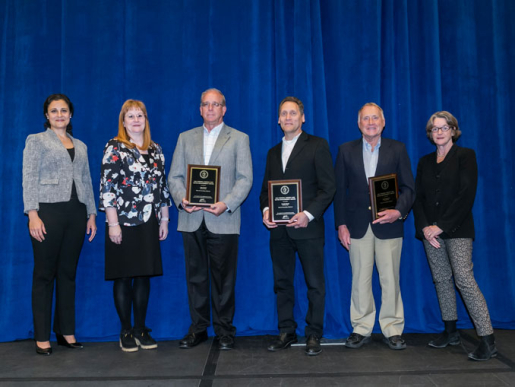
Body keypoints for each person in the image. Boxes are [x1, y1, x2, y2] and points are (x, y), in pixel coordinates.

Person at [168, 88, 253, 351]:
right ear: (200, 109)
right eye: (206, 104)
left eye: (216, 104)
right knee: (195, 278)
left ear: (224, 109)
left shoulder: (239, 138)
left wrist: (226, 203)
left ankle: (225, 330)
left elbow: (245, 178)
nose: (211, 108)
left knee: (224, 279)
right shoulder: (185, 138)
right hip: (191, 219)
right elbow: (174, 177)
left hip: (223, 219)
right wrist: (183, 200)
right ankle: (199, 328)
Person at [413, 111, 496, 361]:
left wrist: (442, 225)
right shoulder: (424, 162)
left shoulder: (465, 156)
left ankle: (487, 339)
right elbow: (418, 199)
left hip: (458, 229)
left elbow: (466, 194)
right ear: (430, 134)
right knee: (441, 280)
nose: (439, 132)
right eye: (434, 129)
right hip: (431, 233)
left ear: (453, 130)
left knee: (464, 279)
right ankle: (450, 331)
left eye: (444, 127)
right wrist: (426, 227)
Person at [334, 102, 415, 350]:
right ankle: (361, 327)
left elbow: (409, 188)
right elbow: (339, 192)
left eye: (375, 118)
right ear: (359, 124)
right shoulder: (346, 150)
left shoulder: (397, 149)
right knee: (359, 279)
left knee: (390, 279)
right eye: (366, 119)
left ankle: (392, 329)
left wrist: (398, 211)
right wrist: (341, 224)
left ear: (383, 122)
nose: (370, 123)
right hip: (357, 226)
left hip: (389, 226)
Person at [259, 97, 335, 356]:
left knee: (315, 283)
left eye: (293, 113)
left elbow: (328, 188)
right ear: (278, 120)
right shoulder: (271, 153)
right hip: (279, 231)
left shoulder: (317, 145)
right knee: (282, 283)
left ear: (303, 117)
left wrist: (308, 214)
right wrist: (266, 211)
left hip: (308, 229)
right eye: (284, 113)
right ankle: (286, 331)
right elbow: (264, 193)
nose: (288, 117)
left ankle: (314, 333)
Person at [23, 94, 97, 355]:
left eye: (63, 110)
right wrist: (32, 213)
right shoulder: (36, 141)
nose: (59, 115)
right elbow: (29, 177)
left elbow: (87, 181)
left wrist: (92, 214)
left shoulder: (82, 145)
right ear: (46, 115)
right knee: (44, 275)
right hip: (48, 212)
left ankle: (66, 332)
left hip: (76, 213)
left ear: (71, 114)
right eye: (54, 111)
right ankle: (42, 337)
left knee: (67, 274)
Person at [99, 99, 171, 353]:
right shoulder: (115, 148)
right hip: (122, 223)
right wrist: (112, 224)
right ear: (124, 121)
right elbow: (107, 188)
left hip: (149, 221)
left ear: (146, 120)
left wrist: (164, 219)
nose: (136, 120)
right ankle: (125, 330)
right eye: (131, 116)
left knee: (143, 275)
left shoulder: (156, 150)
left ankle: (141, 327)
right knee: (123, 276)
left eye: (140, 115)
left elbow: (162, 188)